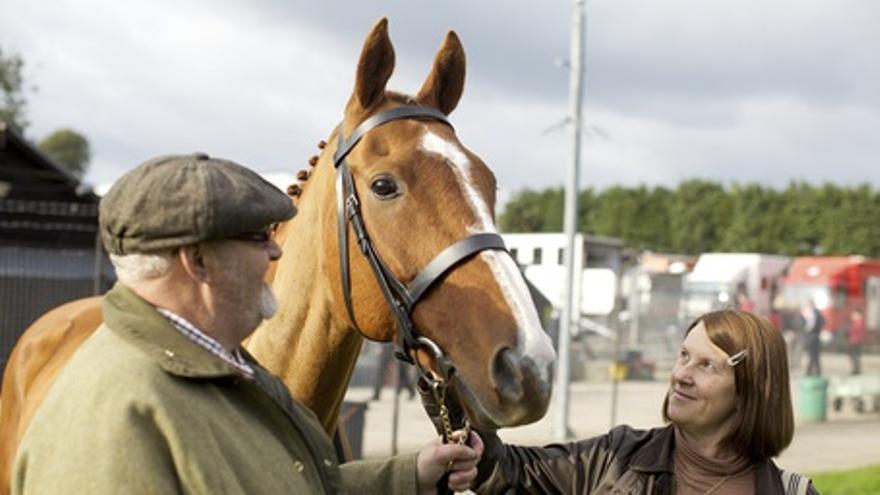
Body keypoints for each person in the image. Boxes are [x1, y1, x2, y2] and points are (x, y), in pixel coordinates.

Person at [12, 153, 482, 494]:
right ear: (197, 260)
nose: (276, 251)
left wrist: (411, 475)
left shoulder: (219, 362)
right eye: (259, 237)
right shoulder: (114, 417)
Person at [453, 309, 817, 494]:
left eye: (707, 365)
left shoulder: (794, 493)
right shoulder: (616, 458)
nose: (681, 375)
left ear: (752, 389)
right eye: (683, 356)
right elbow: (507, 473)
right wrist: (450, 377)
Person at [802, 300, 825, 376]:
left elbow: (810, 326)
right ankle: (815, 371)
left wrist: (807, 331)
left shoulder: (813, 314)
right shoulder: (816, 313)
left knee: (813, 355)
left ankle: (810, 371)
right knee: (814, 355)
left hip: (813, 337)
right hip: (814, 337)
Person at [847, 308, 867, 375]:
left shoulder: (859, 322)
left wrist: (850, 328)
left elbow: (855, 331)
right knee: (854, 356)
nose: (852, 316)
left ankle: (856, 369)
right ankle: (856, 369)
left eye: (854, 314)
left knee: (855, 356)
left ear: (858, 314)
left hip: (856, 341)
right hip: (854, 341)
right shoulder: (856, 322)